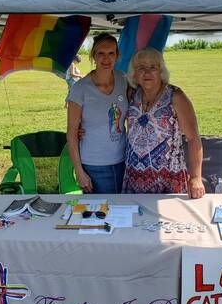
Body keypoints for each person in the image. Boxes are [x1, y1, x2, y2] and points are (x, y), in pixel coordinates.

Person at [122, 48, 205, 199]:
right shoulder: (131, 94)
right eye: (141, 68)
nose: (147, 73)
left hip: (169, 179)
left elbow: (193, 138)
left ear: (161, 71)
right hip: (133, 178)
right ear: (134, 73)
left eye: (153, 67)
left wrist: (196, 178)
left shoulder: (175, 96)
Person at [66, 34, 128, 194]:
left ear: (117, 55)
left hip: (124, 161)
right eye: (101, 53)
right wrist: (79, 172)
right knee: (101, 215)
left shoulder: (124, 80)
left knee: (123, 214)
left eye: (111, 53)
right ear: (93, 55)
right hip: (94, 166)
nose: (106, 59)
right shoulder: (80, 88)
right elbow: (72, 133)